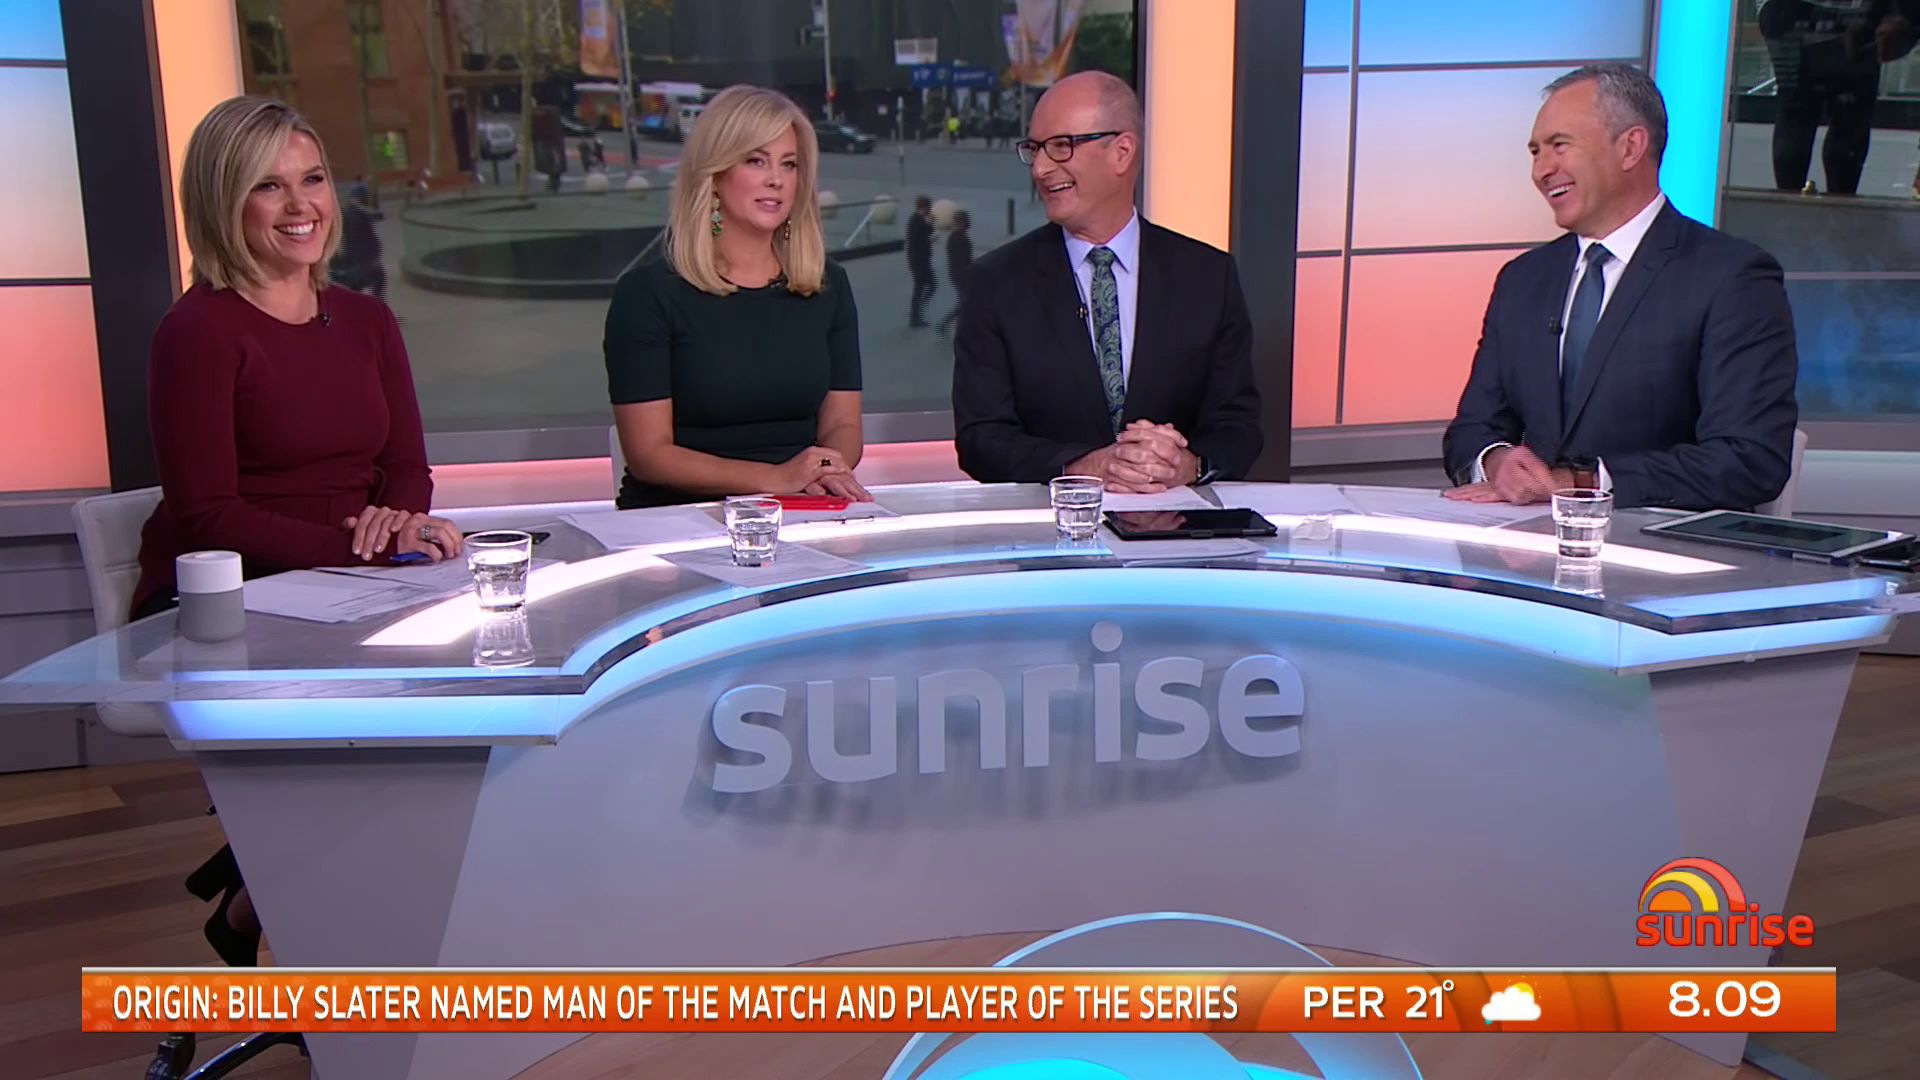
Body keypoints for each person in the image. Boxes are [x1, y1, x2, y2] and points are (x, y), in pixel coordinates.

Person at [135, 95, 462, 965]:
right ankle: (287, 913)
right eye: (268, 186)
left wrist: (398, 523)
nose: (300, 205)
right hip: (231, 590)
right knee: (367, 746)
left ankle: (259, 898)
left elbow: (406, 467)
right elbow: (206, 513)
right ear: (222, 201)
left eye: (312, 179)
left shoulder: (367, 320)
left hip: (355, 577)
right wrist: (363, 547)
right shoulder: (197, 332)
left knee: (458, 712)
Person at [1442, 64, 1799, 510]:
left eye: (1559, 145)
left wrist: (1584, 482)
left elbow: (1749, 458)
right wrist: (1496, 462)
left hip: (1656, 543)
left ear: (1630, 147)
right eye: (1535, 152)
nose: (1541, 170)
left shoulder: (1731, 278)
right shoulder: (1523, 279)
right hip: (1527, 541)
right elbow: (1472, 428)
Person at [950, 71, 1262, 490]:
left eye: (1061, 146)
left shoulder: (1208, 275)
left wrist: (1188, 465)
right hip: (1053, 525)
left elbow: (1238, 425)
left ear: (1122, 152)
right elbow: (981, 439)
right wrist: (1086, 467)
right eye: (1035, 149)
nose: (1041, 168)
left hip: (1177, 524)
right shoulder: (996, 283)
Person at [604, 85, 870, 509]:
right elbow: (649, 455)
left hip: (801, 508)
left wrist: (825, 466)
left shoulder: (828, 286)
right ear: (715, 174)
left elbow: (843, 423)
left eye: (789, 164)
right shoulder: (647, 295)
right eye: (756, 161)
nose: (776, 179)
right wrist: (775, 479)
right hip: (679, 517)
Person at [1759, 0, 1917, 195]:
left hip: (1792, 16)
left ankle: (1790, 202)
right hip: (1856, 16)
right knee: (1846, 115)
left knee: (1798, 110)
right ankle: (1834, 202)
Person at [937, 209, 972, 337]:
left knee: (964, 303)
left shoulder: (952, 237)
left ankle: (947, 325)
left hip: (955, 273)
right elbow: (964, 260)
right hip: (961, 275)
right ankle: (946, 324)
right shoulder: (962, 239)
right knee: (964, 303)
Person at [907, 195, 936, 328]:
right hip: (919, 261)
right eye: (928, 208)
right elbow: (917, 242)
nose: (929, 211)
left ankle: (917, 313)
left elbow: (927, 231)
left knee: (930, 285)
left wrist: (930, 222)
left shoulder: (917, 220)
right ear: (924, 208)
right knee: (921, 288)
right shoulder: (916, 221)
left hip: (920, 260)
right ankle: (915, 316)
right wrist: (929, 240)